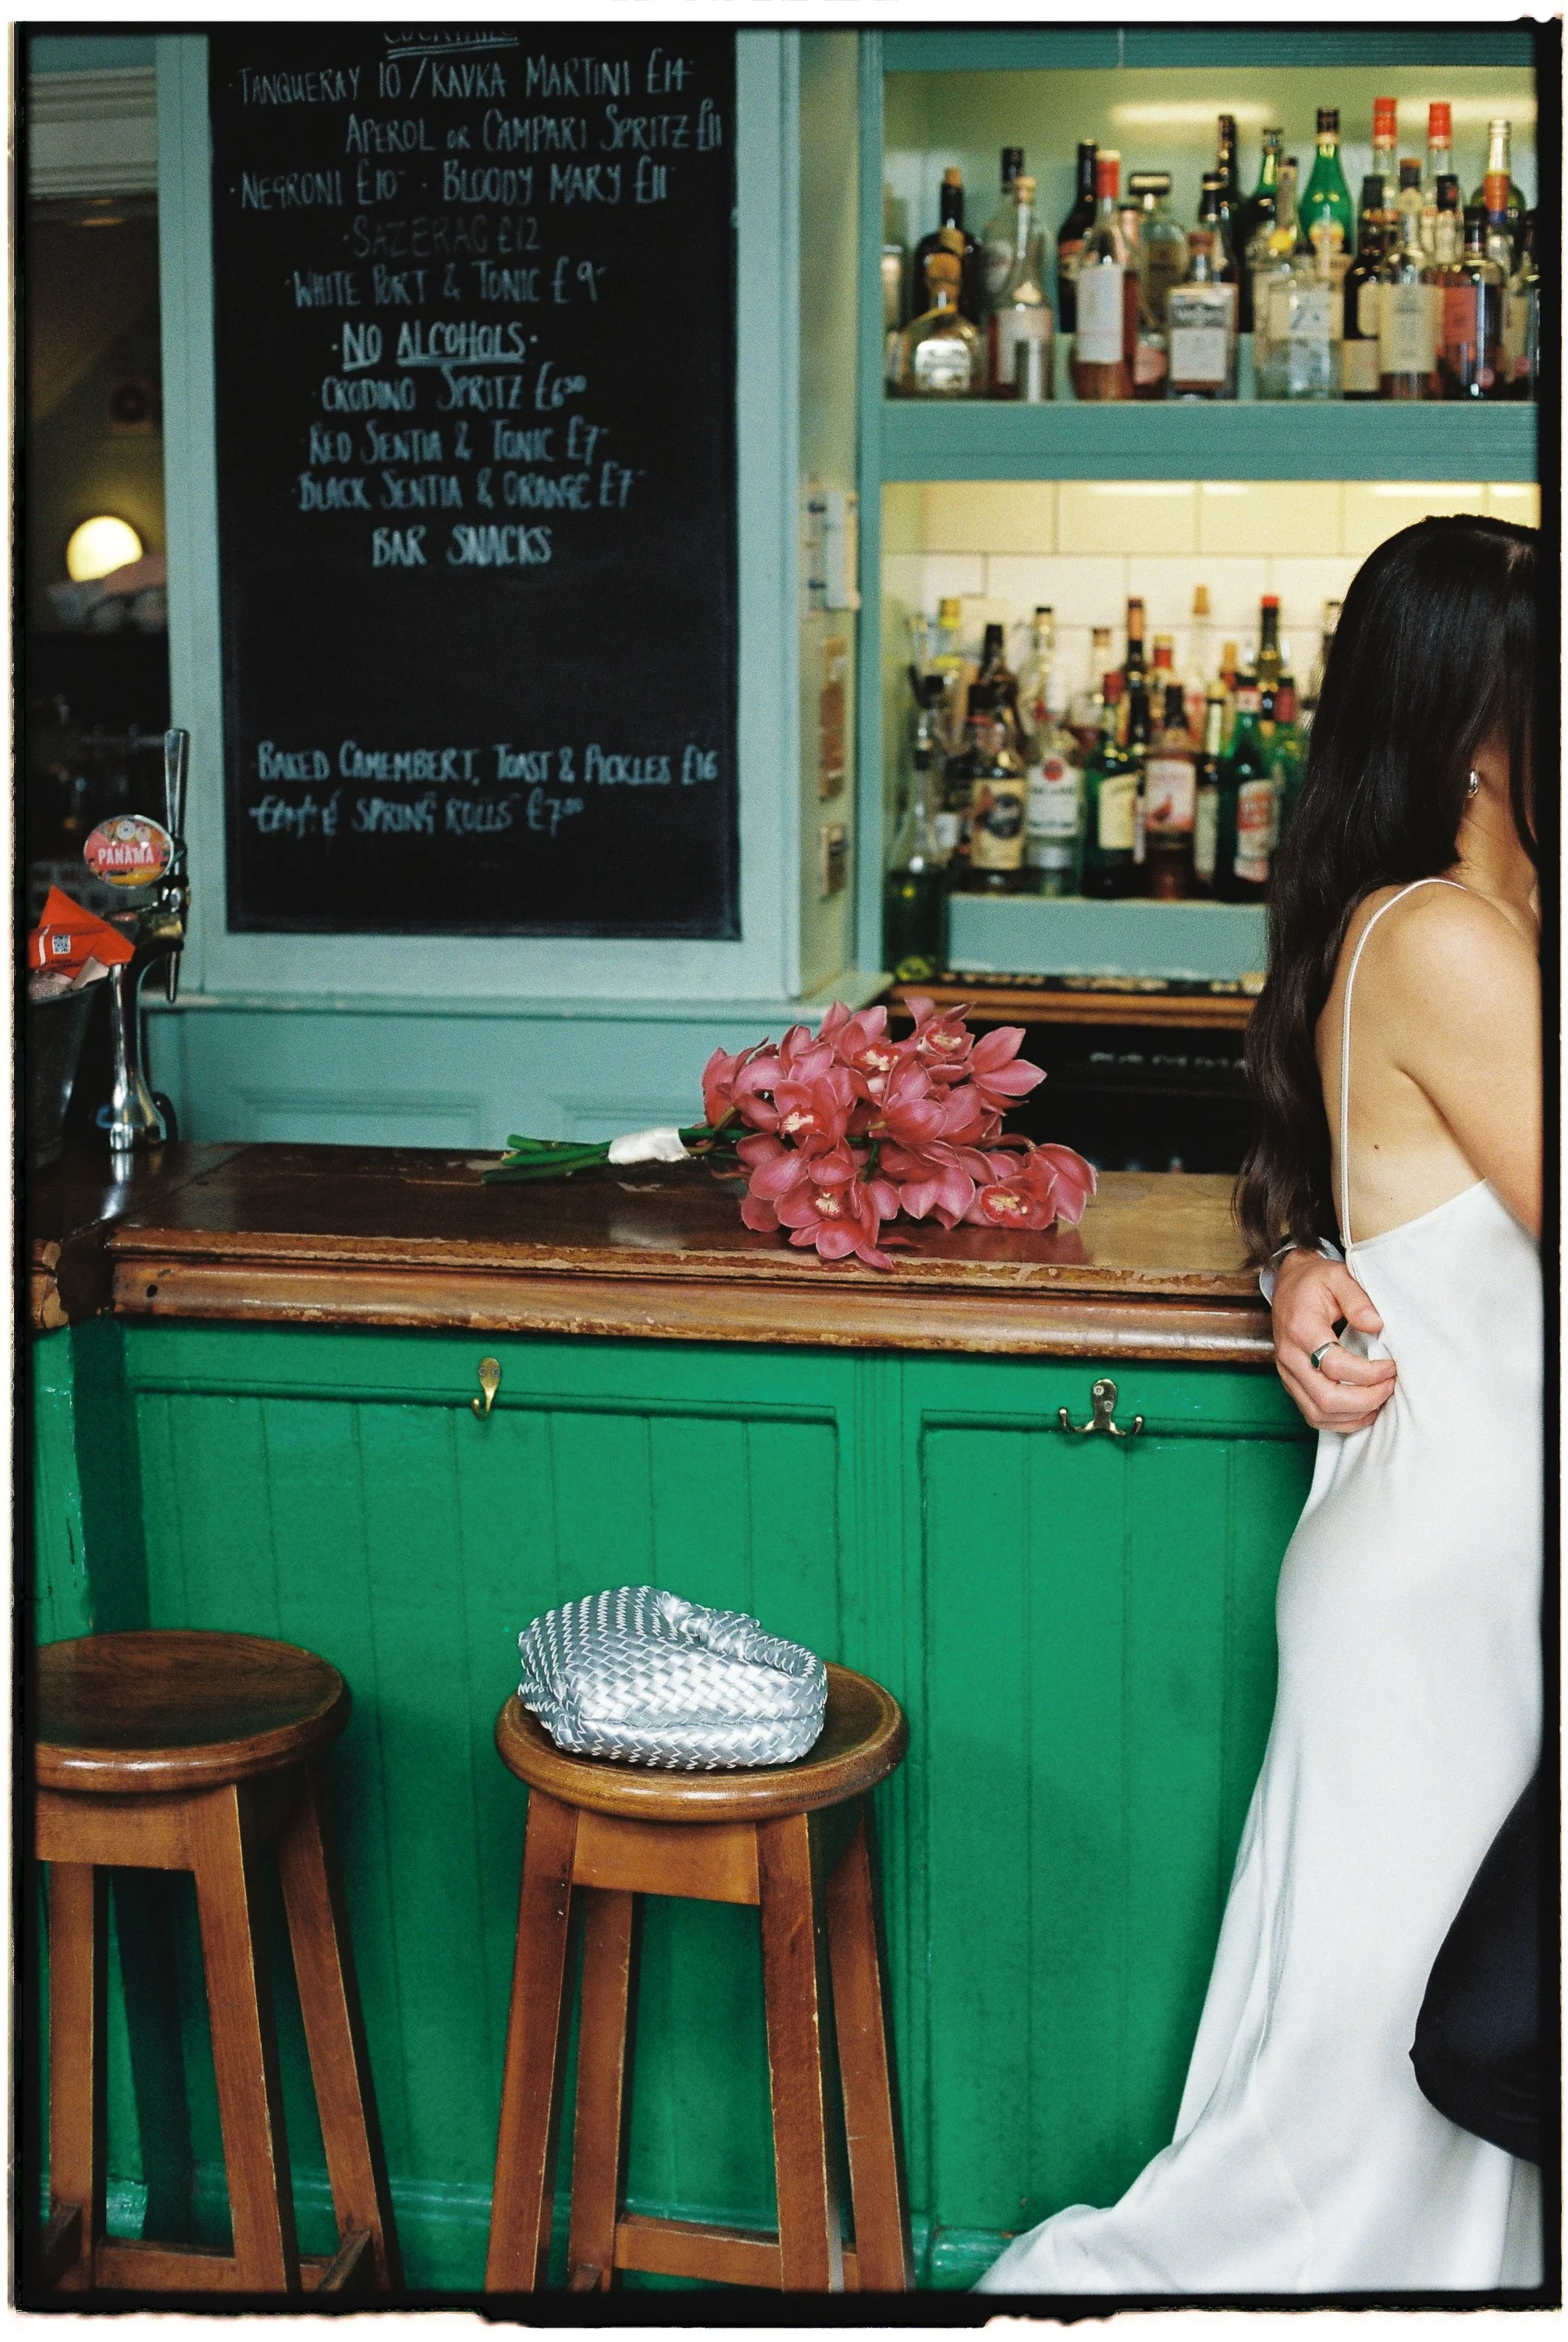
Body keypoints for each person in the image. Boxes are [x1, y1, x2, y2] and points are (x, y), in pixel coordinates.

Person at [978, 514, 1541, 2296]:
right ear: (1473, 717)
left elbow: (1365, 1198)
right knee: (1374, 2079)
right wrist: (1294, 1258)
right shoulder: (1449, 938)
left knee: (1424, 2066)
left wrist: (1292, 1250)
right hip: (1452, 1576)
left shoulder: (1464, 918)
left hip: (1447, 1556)